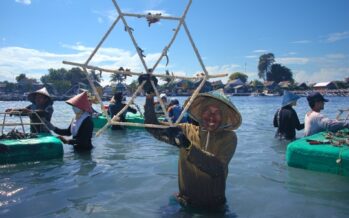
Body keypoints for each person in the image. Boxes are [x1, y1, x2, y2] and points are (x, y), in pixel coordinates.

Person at [139, 74, 242, 210]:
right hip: (184, 202)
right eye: (208, 111)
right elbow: (151, 126)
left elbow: (217, 168)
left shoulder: (229, 138)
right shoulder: (186, 130)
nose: (211, 116)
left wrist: (187, 145)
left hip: (213, 207)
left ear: (223, 118)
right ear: (200, 113)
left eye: (217, 113)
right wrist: (149, 95)